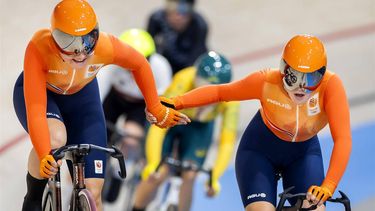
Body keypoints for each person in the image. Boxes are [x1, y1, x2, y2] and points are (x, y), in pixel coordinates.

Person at [12, 1, 189, 210]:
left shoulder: (106, 45)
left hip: (82, 100)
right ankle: (33, 198)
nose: (79, 53)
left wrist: (155, 107)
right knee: (54, 139)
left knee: (94, 193)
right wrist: (44, 154)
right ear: (53, 36)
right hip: (44, 95)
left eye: (86, 42)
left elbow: (140, 63)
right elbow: (35, 111)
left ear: (96, 33)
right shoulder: (39, 47)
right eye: (67, 43)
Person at [149, 35, 352, 211]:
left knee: (315, 208)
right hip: (259, 151)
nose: (301, 87)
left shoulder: (331, 86)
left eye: (311, 78)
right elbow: (221, 92)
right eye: (294, 77)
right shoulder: (266, 82)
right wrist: (176, 102)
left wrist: (329, 186)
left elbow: (342, 138)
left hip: (303, 154)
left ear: (323, 73)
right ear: (283, 69)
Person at [132, 51, 240, 211]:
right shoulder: (183, 80)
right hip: (172, 119)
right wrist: (153, 162)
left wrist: (214, 177)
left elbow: (227, 142)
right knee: (158, 174)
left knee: (190, 175)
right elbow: (158, 127)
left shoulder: (231, 99)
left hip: (200, 128)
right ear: (195, 81)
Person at [99, 28, 172, 202]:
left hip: (141, 104)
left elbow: (161, 104)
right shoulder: (110, 62)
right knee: (97, 135)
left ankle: (119, 171)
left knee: (132, 138)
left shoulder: (160, 68)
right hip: (115, 98)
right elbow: (98, 91)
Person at [147, 0, 208, 74]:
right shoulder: (157, 19)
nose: (179, 18)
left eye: (184, 14)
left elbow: (195, 62)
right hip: (163, 65)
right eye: (173, 12)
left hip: (186, 66)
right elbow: (147, 50)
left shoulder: (199, 26)